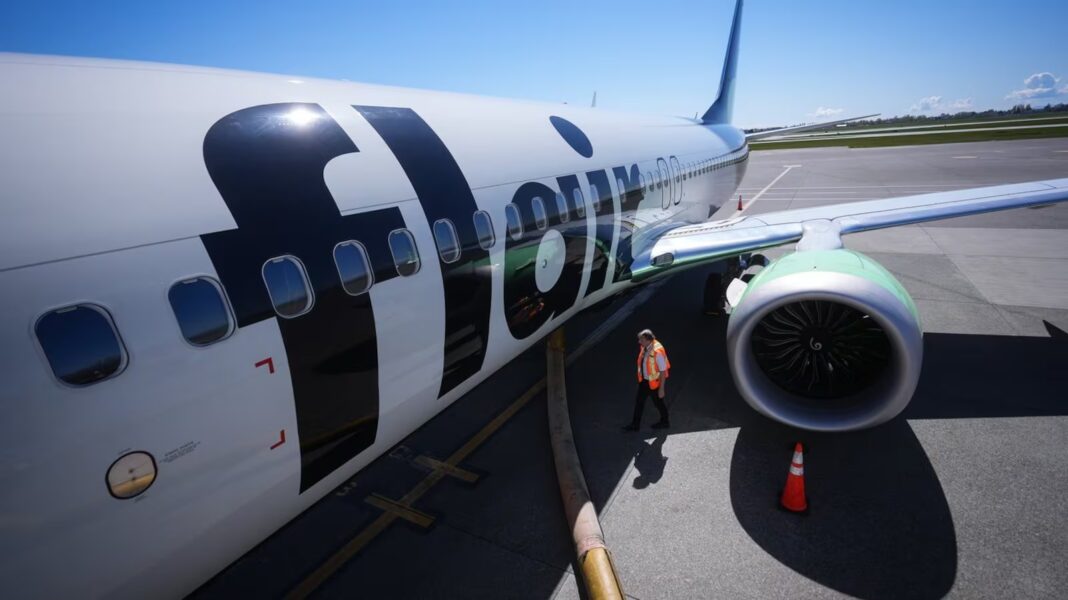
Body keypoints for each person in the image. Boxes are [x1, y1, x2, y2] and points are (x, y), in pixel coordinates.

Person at [624, 329, 671, 431]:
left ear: (648, 340)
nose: (639, 342)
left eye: (641, 340)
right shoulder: (644, 347)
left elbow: (663, 371)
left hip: (654, 384)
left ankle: (665, 422)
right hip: (644, 382)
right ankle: (635, 425)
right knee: (639, 403)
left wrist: (661, 389)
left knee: (658, 403)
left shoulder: (657, 352)